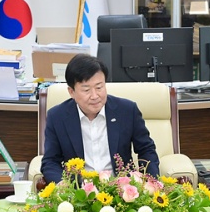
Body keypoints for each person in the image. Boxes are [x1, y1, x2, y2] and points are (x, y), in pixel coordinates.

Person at [41, 54, 160, 184]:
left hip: (122, 192)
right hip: (78, 195)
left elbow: (146, 150)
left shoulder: (127, 110)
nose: (95, 96)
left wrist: (150, 182)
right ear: (71, 92)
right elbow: (50, 161)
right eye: (86, 90)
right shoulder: (57, 117)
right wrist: (62, 186)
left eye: (99, 87)